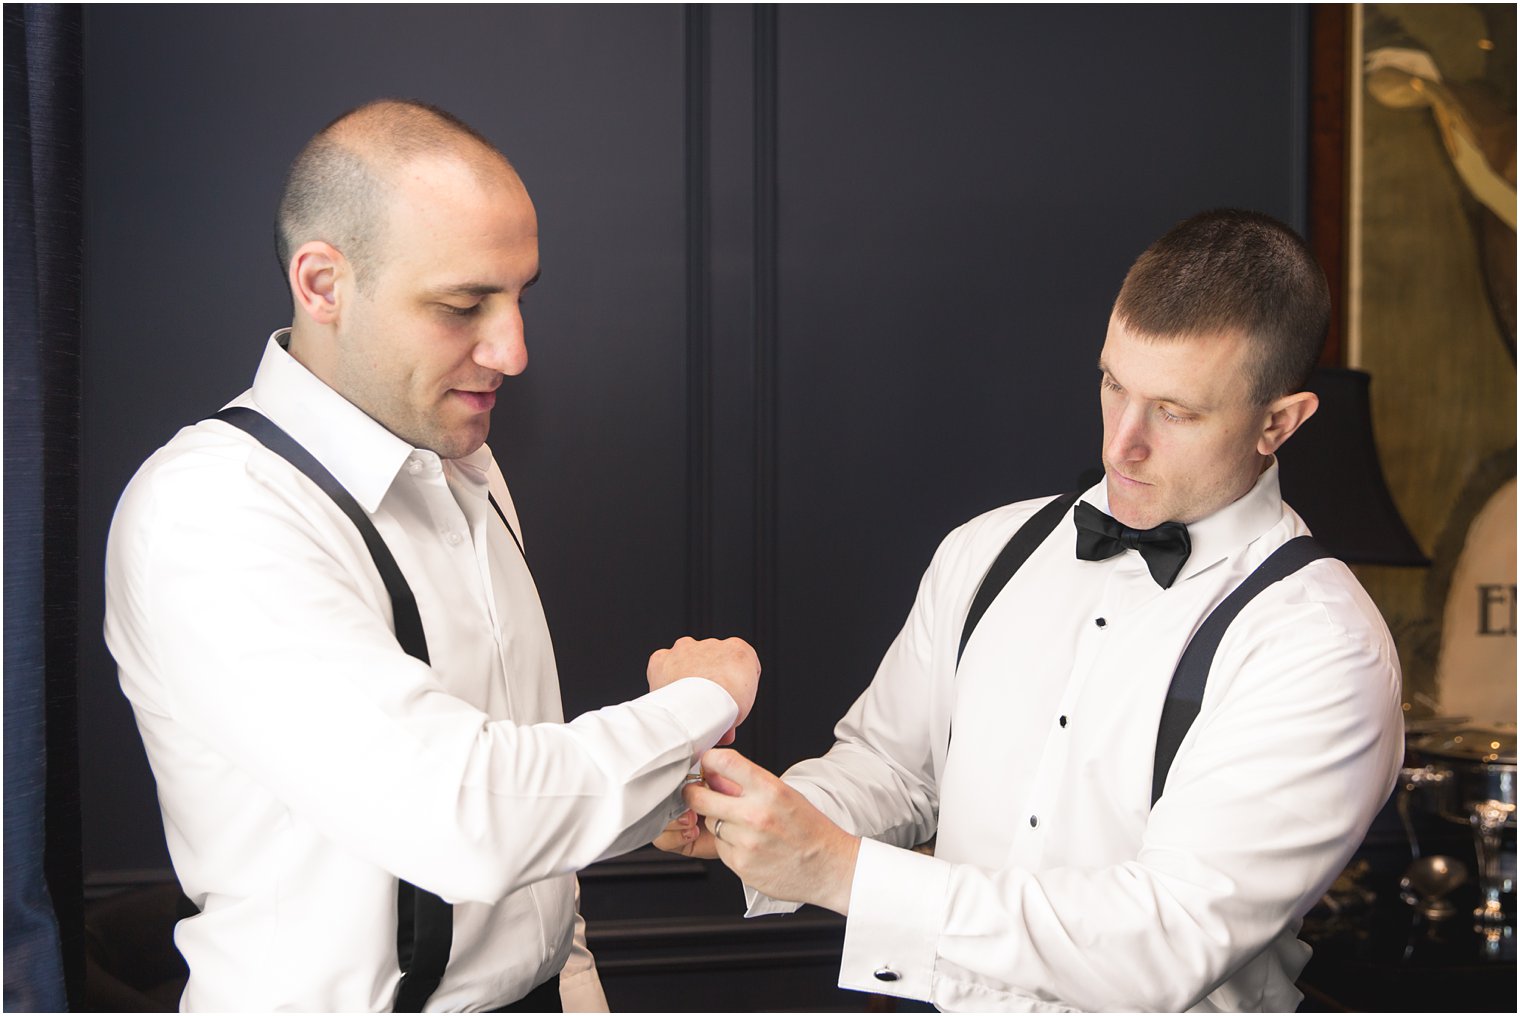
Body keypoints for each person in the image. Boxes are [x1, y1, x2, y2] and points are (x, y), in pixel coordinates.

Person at [104, 99, 760, 1013]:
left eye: (520, 296)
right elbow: (471, 816)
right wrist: (705, 698)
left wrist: (581, 977)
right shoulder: (212, 510)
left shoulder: (463, 464)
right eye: (463, 305)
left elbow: (524, 825)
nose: (513, 350)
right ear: (324, 284)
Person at [660, 209, 1405, 1012]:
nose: (1123, 443)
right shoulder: (988, 551)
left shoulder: (1322, 646)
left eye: (1177, 412)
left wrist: (840, 870)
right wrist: (747, 816)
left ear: (1279, 422)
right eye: (1113, 384)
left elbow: (1165, 940)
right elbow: (891, 772)